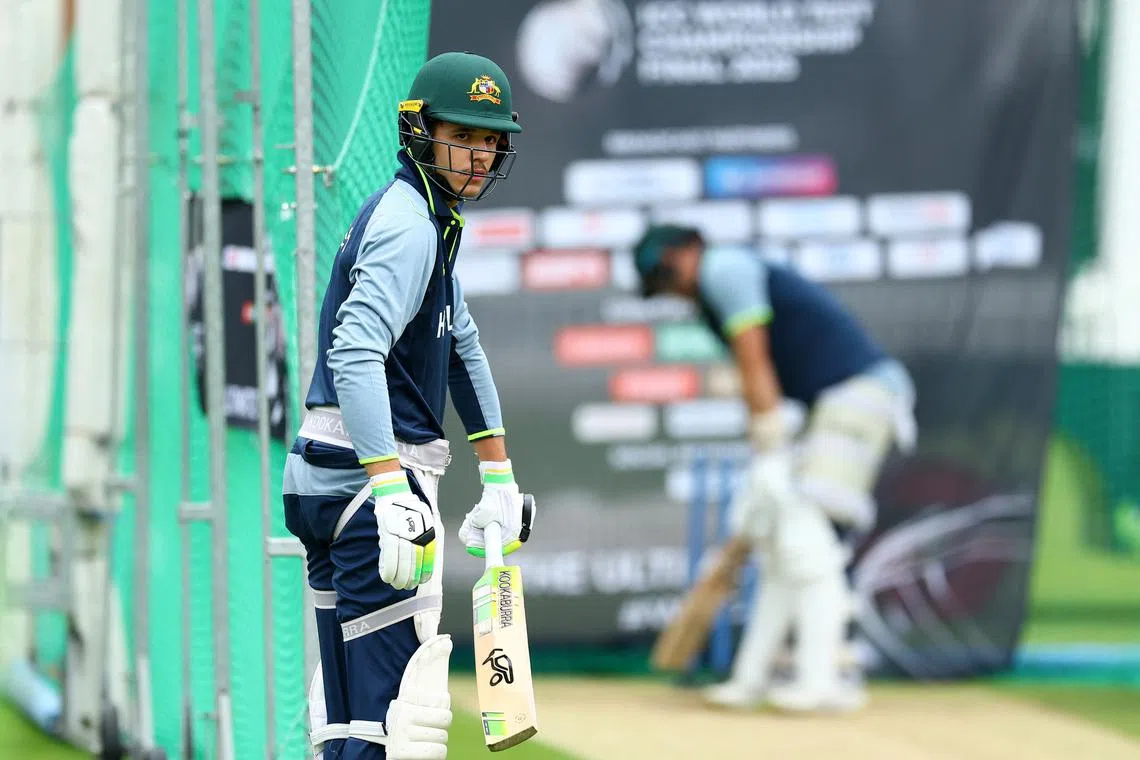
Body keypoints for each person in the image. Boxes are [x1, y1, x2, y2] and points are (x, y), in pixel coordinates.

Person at [282, 52, 535, 760]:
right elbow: (355, 352)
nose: (481, 153)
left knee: (343, 717)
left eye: (491, 139)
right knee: (398, 721)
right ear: (420, 131)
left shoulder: (430, 220)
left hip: (328, 476)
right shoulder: (411, 226)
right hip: (369, 484)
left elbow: (463, 349)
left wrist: (498, 475)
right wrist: (391, 486)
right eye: (465, 134)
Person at [633, 225, 917, 713]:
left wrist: (769, 452)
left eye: (668, 273)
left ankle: (827, 679)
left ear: (691, 249)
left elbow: (754, 357)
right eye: (660, 283)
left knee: (808, 543)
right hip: (825, 405)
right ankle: (752, 678)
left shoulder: (725, 268)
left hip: (860, 396)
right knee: (784, 546)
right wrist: (767, 450)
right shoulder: (707, 302)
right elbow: (755, 378)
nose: (672, 288)